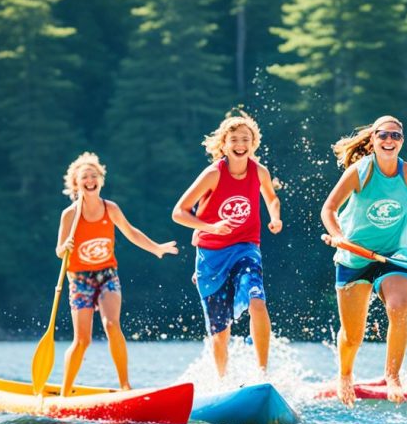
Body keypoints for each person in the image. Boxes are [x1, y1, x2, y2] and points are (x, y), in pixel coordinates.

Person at [320, 116, 407, 406]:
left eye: (396, 136)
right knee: (353, 336)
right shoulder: (359, 172)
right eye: (384, 135)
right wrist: (337, 235)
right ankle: (345, 374)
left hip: (394, 255)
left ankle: (392, 375)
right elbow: (328, 209)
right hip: (354, 256)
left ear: (402, 141)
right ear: (373, 140)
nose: (389, 141)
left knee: (399, 306)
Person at [57, 153, 178, 395]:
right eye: (85, 177)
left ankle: (125, 385)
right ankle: (64, 393)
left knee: (112, 324)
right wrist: (65, 247)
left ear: (101, 180)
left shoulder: (110, 208)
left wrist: (155, 248)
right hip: (80, 280)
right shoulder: (70, 215)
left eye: (94, 176)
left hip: (107, 275)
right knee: (83, 340)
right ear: (75, 184)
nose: (90, 180)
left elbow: (130, 231)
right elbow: (60, 252)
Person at [172, 111, 282, 378]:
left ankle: (262, 374)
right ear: (224, 144)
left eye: (246, 139)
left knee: (257, 299)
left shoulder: (260, 172)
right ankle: (222, 381)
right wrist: (211, 227)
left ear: (253, 144)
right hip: (211, 255)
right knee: (220, 333)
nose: (240, 144)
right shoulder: (213, 174)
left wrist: (275, 218)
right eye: (234, 139)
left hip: (246, 247)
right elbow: (179, 212)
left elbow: (271, 199)